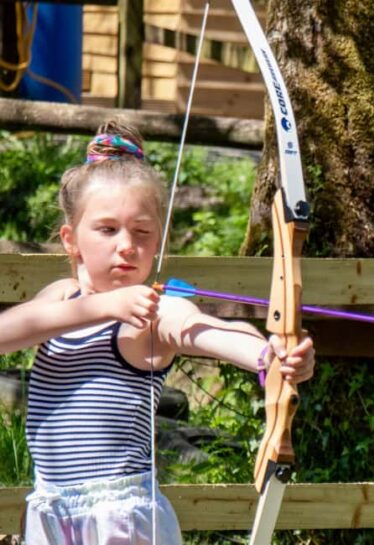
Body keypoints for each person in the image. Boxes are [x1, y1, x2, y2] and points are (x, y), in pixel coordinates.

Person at [0, 121, 316, 545]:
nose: (127, 244)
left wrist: (270, 356)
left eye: (142, 232)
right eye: (108, 229)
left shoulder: (154, 313)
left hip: (121, 522)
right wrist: (100, 307)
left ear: (158, 242)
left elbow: (206, 330)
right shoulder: (60, 298)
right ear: (71, 239)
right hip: (52, 512)